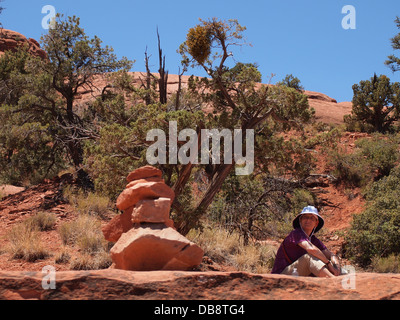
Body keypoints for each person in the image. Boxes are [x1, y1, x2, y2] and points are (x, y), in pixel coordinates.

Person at [271, 206, 340, 277]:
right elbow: (311, 249)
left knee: (325, 261)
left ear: (316, 223)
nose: (308, 220)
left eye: (312, 218)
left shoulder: (313, 240)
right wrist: (328, 263)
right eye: (305, 217)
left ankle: (340, 278)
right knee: (309, 257)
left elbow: (330, 255)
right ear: (300, 221)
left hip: (296, 274)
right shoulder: (296, 233)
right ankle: (334, 280)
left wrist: (336, 267)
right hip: (282, 275)